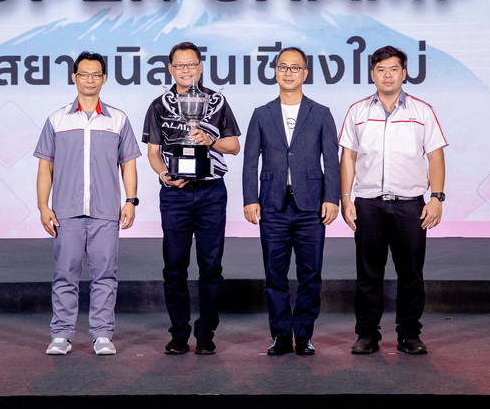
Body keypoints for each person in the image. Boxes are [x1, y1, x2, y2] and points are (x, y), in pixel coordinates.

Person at [338, 45, 446, 356]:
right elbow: (348, 157)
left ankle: (409, 334)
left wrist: (436, 198)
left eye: (394, 69)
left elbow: (436, 156)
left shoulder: (421, 111)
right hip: (368, 203)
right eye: (381, 70)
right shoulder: (358, 111)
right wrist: (346, 198)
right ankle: (367, 335)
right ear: (372, 74)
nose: (387, 75)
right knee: (368, 275)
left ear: (404, 73)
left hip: (410, 205)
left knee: (410, 274)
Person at [34, 51, 141, 356]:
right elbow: (45, 167)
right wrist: (43, 206)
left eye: (96, 74)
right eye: (84, 74)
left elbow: (128, 164)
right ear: (74, 77)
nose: (90, 80)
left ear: (104, 79)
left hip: (105, 212)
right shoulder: (57, 119)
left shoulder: (118, 119)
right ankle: (61, 334)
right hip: (66, 213)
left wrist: (130, 201)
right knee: (65, 275)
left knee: (105, 276)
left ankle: (102, 334)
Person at [142, 41, 241, 355]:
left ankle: (206, 333)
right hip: (175, 193)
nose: (186, 70)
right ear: (170, 69)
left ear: (200, 66)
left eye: (191, 64)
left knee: (211, 266)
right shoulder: (159, 105)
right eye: (180, 65)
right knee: (174, 266)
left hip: (211, 191)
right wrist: (163, 174)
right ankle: (179, 334)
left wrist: (210, 140)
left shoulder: (217, 101)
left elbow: (234, 146)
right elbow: (153, 152)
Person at [242, 46, 340, 356]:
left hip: (311, 206)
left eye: (295, 67)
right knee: (275, 275)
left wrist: (332, 198)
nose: (288, 72)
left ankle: (305, 335)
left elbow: (331, 160)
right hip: (272, 206)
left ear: (305, 73)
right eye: (283, 66)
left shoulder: (321, 113)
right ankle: (281, 336)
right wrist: (250, 198)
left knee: (311, 275)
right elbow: (249, 161)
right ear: (275, 71)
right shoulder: (261, 113)